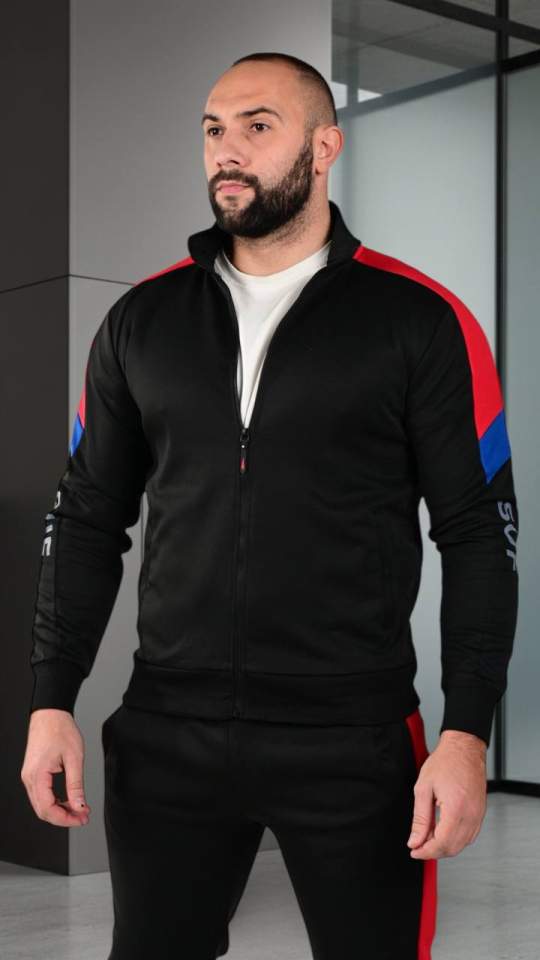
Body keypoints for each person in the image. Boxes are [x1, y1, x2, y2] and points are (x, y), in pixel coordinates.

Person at [21, 51, 519, 960]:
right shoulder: (142, 320)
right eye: (214, 129)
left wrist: (465, 735)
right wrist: (52, 700)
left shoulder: (420, 319)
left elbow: (481, 536)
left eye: (259, 126)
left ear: (325, 147)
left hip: (353, 739)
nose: (229, 149)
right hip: (169, 731)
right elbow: (86, 516)